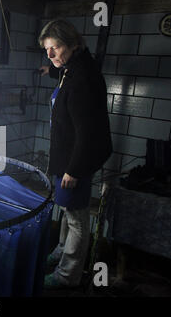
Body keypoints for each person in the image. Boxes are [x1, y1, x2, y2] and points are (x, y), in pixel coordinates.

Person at [38, 19, 112, 289]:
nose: (51, 54)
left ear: (73, 44)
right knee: (67, 209)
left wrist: (74, 170)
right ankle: (61, 252)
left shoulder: (83, 79)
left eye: (55, 48)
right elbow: (68, 78)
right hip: (67, 156)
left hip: (76, 160)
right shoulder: (74, 67)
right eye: (47, 50)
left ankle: (67, 275)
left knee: (77, 218)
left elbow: (88, 132)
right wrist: (52, 70)